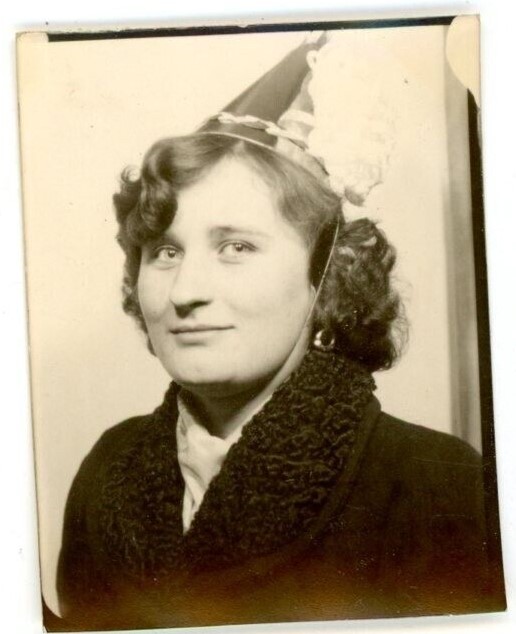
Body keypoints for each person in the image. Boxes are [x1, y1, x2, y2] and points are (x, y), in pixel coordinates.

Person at [54, 33, 505, 631]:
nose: (185, 289)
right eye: (163, 251)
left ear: (327, 274)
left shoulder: (444, 488)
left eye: (235, 246)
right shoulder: (107, 472)